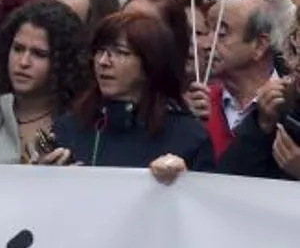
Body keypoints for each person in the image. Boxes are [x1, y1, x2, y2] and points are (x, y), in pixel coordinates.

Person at [41, 9, 213, 181]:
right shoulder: (68, 128)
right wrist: (41, 174)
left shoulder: (187, 137)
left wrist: (182, 181)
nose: (103, 62)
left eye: (121, 52)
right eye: (100, 51)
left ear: (150, 63)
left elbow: (204, 202)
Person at [0, 0, 92, 164]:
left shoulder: (83, 122)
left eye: (39, 54)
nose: (24, 62)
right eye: (18, 49)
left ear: (63, 62)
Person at [203, 0, 281, 158]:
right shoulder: (198, 103)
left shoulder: (291, 103)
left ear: (260, 45)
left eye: (221, 33)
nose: (206, 43)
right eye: (205, 32)